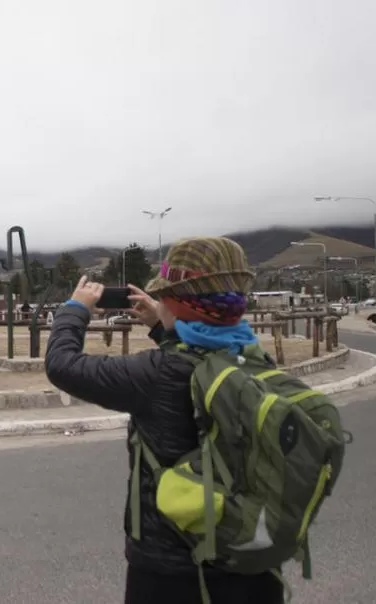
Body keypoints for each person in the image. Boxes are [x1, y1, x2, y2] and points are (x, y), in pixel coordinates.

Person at [45, 237, 283, 604]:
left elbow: (63, 366)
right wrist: (163, 326)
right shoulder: (256, 360)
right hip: (253, 565)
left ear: (175, 303)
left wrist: (75, 309)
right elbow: (202, 352)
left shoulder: (157, 375)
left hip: (173, 573)